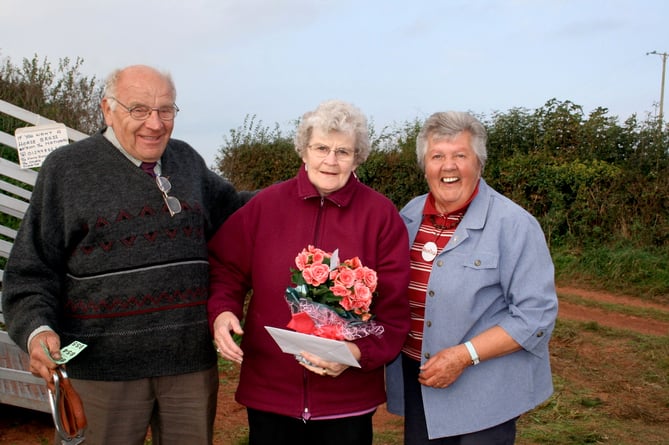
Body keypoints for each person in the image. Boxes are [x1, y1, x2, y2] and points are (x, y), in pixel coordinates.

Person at [2, 64, 250, 445]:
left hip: (188, 368)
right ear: (107, 110)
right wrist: (37, 331)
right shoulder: (67, 171)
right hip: (100, 372)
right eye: (139, 110)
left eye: (166, 110)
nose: (155, 123)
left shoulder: (187, 161)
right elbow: (30, 271)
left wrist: (305, 189)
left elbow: (240, 215)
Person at [207, 100, 411, 445]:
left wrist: (355, 354)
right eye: (321, 148)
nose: (330, 160)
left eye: (342, 151)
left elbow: (393, 308)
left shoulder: (380, 215)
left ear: (357, 157)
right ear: (304, 151)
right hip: (271, 393)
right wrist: (222, 311)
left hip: (346, 400)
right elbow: (225, 266)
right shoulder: (265, 206)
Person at [385, 111, 558, 444]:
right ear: (425, 165)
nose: (448, 166)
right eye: (437, 156)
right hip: (420, 381)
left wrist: (464, 355)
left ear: (479, 163)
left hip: (486, 390)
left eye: (460, 156)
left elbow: (536, 315)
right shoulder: (408, 215)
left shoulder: (514, 225)